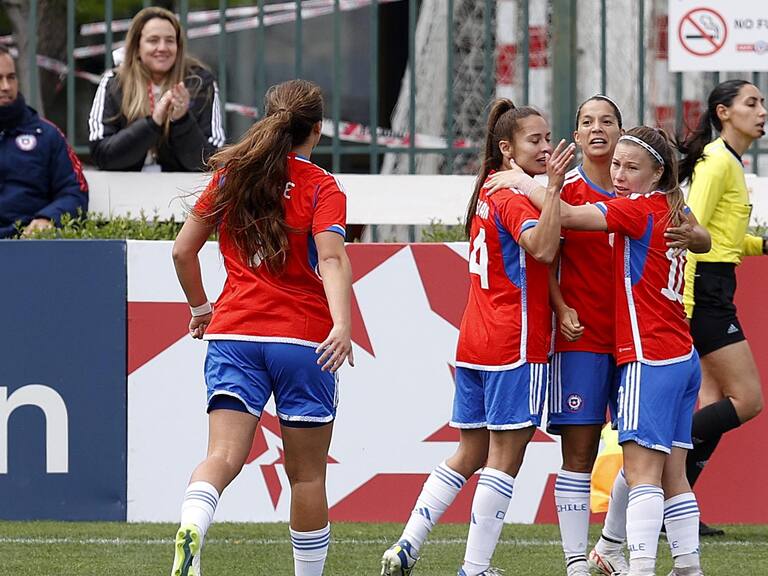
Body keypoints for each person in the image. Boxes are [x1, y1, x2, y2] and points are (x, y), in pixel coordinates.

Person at [500, 127, 711, 576]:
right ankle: (688, 566)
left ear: (657, 173)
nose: (619, 174)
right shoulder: (674, 205)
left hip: (648, 355)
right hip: (681, 355)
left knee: (642, 474)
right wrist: (697, 238)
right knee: (673, 473)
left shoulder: (636, 209)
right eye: (616, 164)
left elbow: (567, 215)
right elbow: (704, 239)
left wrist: (521, 181)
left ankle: (640, 567)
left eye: (632, 168)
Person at [380, 99, 574, 576]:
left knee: (470, 452)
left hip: (475, 340)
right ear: (507, 148)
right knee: (505, 459)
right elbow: (542, 246)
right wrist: (552, 189)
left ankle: (407, 543)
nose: (545, 147)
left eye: (548, 138)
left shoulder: (489, 187)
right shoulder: (512, 195)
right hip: (514, 342)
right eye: (535, 140)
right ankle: (474, 567)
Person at [170, 79, 352, 576]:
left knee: (223, 455)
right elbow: (332, 259)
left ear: (266, 119)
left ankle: (192, 526)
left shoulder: (232, 175)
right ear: (317, 129)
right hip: (303, 340)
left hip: (234, 334)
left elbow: (182, 251)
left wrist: (201, 308)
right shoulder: (322, 186)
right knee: (307, 477)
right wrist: (341, 323)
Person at [678, 80, 767, 536]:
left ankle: (675, 509)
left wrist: (761, 244)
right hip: (703, 293)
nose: (762, 111)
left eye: (762, 103)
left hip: (713, 287)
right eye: (751, 103)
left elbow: (722, 238)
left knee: (713, 403)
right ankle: (649, 471)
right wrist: (689, 301)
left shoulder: (728, 161)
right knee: (747, 401)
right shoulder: (717, 162)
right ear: (723, 112)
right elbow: (689, 229)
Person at [88, 6, 225, 172]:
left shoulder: (200, 82)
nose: (162, 48)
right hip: (125, 185)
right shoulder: (114, 82)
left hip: (181, 186)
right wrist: (153, 123)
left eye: (170, 40)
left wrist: (182, 120)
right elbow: (101, 154)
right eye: (153, 40)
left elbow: (211, 160)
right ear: (137, 46)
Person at [0, 45, 87, 238]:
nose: (6, 86)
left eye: (11, 77)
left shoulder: (47, 135)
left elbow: (75, 192)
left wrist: (48, 218)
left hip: (29, 244)